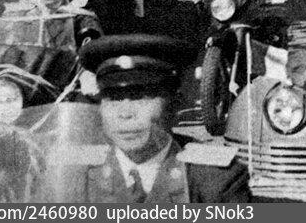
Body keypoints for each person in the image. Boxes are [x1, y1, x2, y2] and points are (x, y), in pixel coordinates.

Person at [78, 34, 251, 203]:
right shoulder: (76, 172)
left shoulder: (214, 177)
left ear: (175, 104)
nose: (125, 114)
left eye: (141, 98)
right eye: (112, 99)